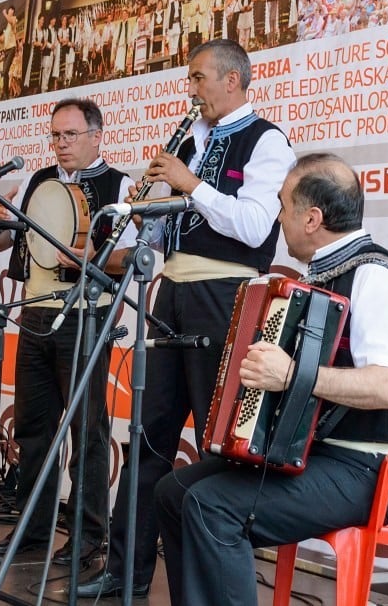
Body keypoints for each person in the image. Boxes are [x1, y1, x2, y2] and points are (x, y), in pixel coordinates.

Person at [75, 38, 295, 599]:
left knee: (215, 443)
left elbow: (252, 227)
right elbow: (166, 226)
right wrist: (139, 214)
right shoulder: (191, 141)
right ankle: (125, 573)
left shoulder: (267, 141)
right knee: (148, 438)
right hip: (169, 291)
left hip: (226, 296)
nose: (191, 90)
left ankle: (211, 581)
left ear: (233, 80)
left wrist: (190, 183)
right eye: (190, 79)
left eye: (199, 78)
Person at [154, 152, 388, 605]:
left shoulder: (374, 276)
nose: (278, 218)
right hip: (312, 455)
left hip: (365, 470)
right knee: (173, 491)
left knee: (213, 506)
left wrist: (291, 374)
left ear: (312, 218)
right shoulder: (323, 273)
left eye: (282, 206)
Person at [0, 98, 137, 565]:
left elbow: (133, 257)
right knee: (33, 430)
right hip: (35, 314)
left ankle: (89, 537)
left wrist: (91, 257)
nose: (60, 144)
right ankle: (32, 533)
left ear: (96, 135)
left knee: (86, 430)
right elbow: (5, 243)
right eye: (55, 135)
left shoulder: (121, 185)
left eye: (70, 135)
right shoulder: (39, 182)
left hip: (85, 316)